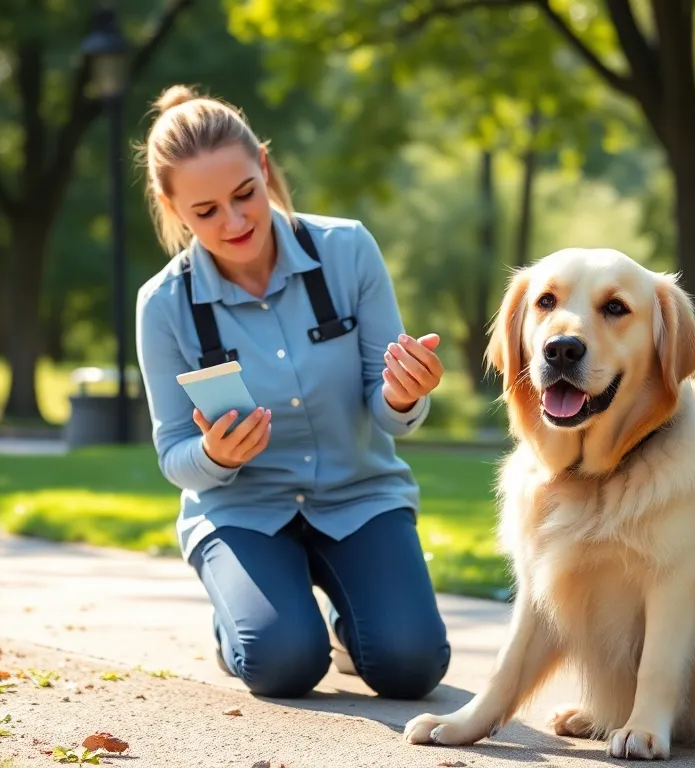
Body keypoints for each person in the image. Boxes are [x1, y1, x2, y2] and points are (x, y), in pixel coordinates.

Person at [134, 85, 451, 701]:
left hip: (359, 498)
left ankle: (348, 624)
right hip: (243, 512)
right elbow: (175, 454)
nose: (234, 222)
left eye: (244, 194)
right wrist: (215, 456)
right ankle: (242, 620)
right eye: (206, 211)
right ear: (173, 208)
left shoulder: (348, 251)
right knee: (281, 664)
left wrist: (404, 395)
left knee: (412, 667)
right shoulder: (163, 305)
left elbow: (391, 413)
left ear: (264, 165)